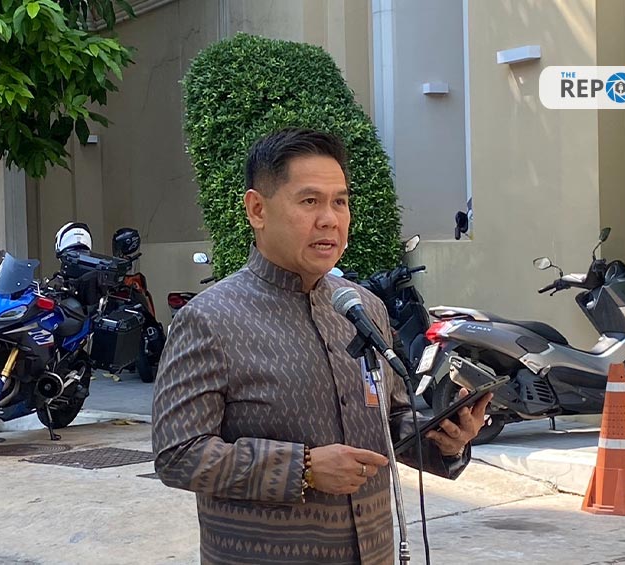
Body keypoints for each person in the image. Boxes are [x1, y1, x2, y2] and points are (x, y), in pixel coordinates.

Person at [152, 128, 491, 564]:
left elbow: (389, 423)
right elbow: (178, 454)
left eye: (340, 202)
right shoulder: (209, 320)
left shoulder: (362, 308)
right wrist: (304, 468)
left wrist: (445, 438)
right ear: (257, 209)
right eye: (309, 201)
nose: (330, 219)